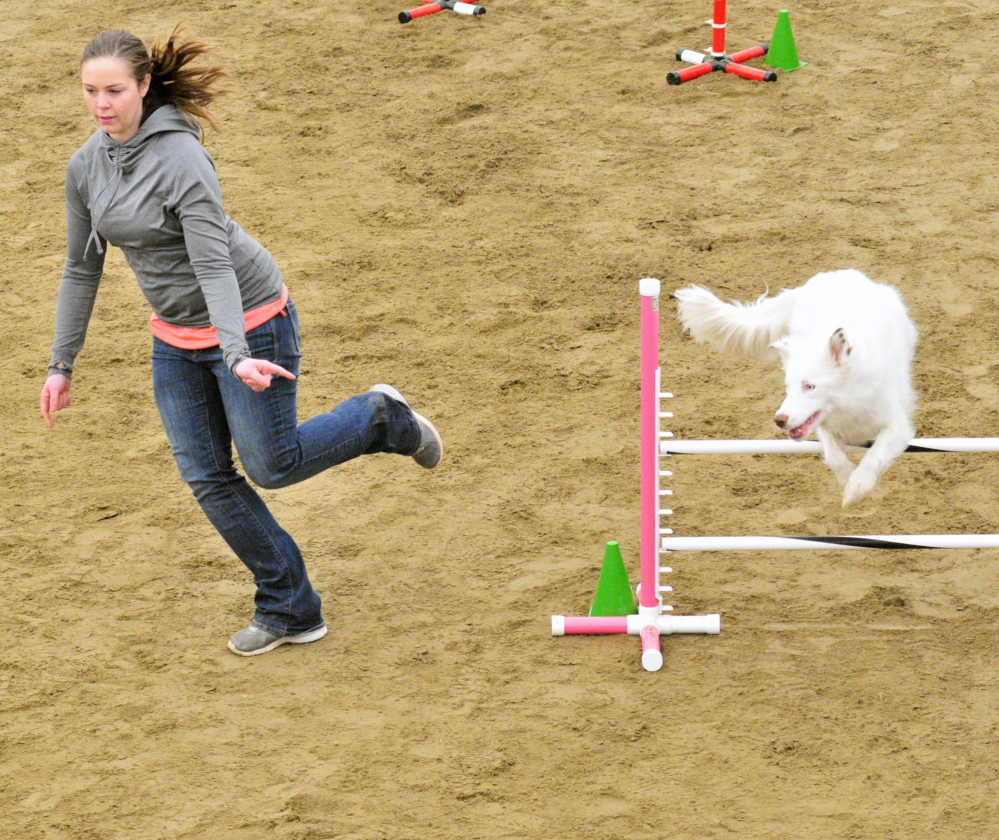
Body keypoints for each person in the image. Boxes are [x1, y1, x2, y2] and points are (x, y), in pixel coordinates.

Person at [39, 27, 443, 656]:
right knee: (205, 474)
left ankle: (380, 418)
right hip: (175, 336)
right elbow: (80, 266)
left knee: (271, 466)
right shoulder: (86, 166)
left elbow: (213, 266)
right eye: (90, 91)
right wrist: (61, 363)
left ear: (144, 87)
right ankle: (289, 608)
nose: (101, 104)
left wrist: (235, 353)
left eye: (114, 90)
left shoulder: (181, 161)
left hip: (251, 322)